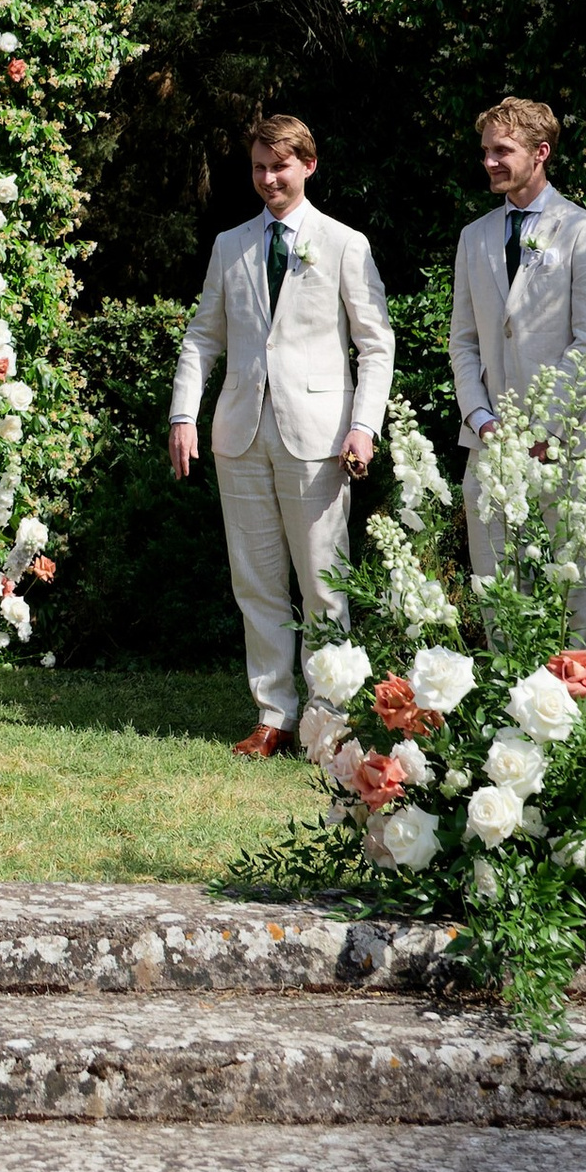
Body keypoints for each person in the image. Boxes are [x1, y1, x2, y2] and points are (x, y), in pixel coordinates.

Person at [167, 114, 394, 756]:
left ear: (308, 166)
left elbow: (376, 344)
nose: (269, 178)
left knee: (324, 583)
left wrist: (363, 426)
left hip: (319, 437)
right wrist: (184, 415)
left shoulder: (345, 243)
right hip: (240, 432)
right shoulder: (230, 244)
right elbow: (202, 337)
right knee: (256, 581)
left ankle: (330, 720)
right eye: (260, 167)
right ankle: (274, 714)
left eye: (281, 166)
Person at [449, 94, 586, 654]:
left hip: (567, 443)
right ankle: (513, 727)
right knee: (498, 592)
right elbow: (465, 341)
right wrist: (481, 420)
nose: (490, 162)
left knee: (582, 593)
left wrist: (544, 429)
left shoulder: (585, 232)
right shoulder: (474, 237)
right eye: (485, 152)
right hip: (490, 444)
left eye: (503, 151)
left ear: (541, 153)